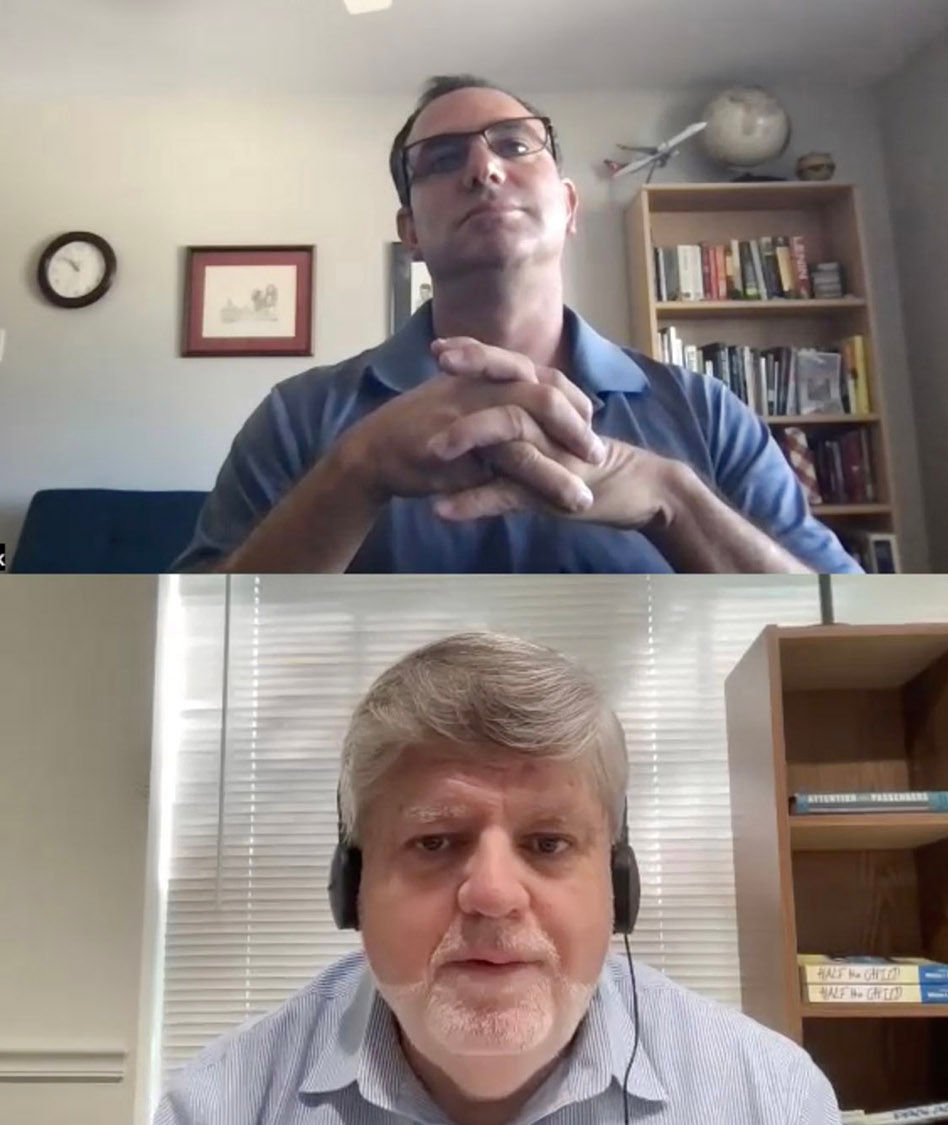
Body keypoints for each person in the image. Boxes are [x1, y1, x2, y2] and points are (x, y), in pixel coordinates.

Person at [172, 75, 859, 574]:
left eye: (515, 145)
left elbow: (839, 633)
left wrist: (669, 497)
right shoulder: (300, 417)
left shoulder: (704, 413)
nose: (483, 167)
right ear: (410, 231)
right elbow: (199, 642)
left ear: (567, 203)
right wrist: (354, 473)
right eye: (442, 159)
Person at [154, 632, 842, 1125]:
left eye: (547, 842)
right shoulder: (218, 1105)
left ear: (618, 885)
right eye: (434, 840)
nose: (492, 893)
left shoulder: (770, 1099)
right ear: (352, 885)